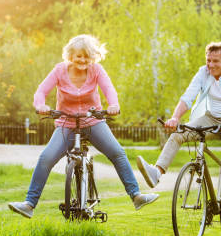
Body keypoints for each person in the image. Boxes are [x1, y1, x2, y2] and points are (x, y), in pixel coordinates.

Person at [9, 34, 158, 218]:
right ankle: (29, 205)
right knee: (46, 157)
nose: (82, 60)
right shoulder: (59, 70)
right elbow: (41, 91)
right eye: (79, 56)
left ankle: (136, 196)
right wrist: (41, 105)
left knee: (117, 152)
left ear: (92, 57)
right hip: (66, 124)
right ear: (70, 55)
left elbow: (109, 89)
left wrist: (113, 105)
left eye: (87, 56)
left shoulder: (96, 70)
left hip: (93, 122)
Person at [137, 41, 221, 193]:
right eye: (208, 60)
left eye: (215, 61)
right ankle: (156, 173)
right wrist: (175, 117)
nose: (211, 65)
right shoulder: (203, 73)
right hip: (211, 119)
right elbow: (188, 96)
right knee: (178, 134)